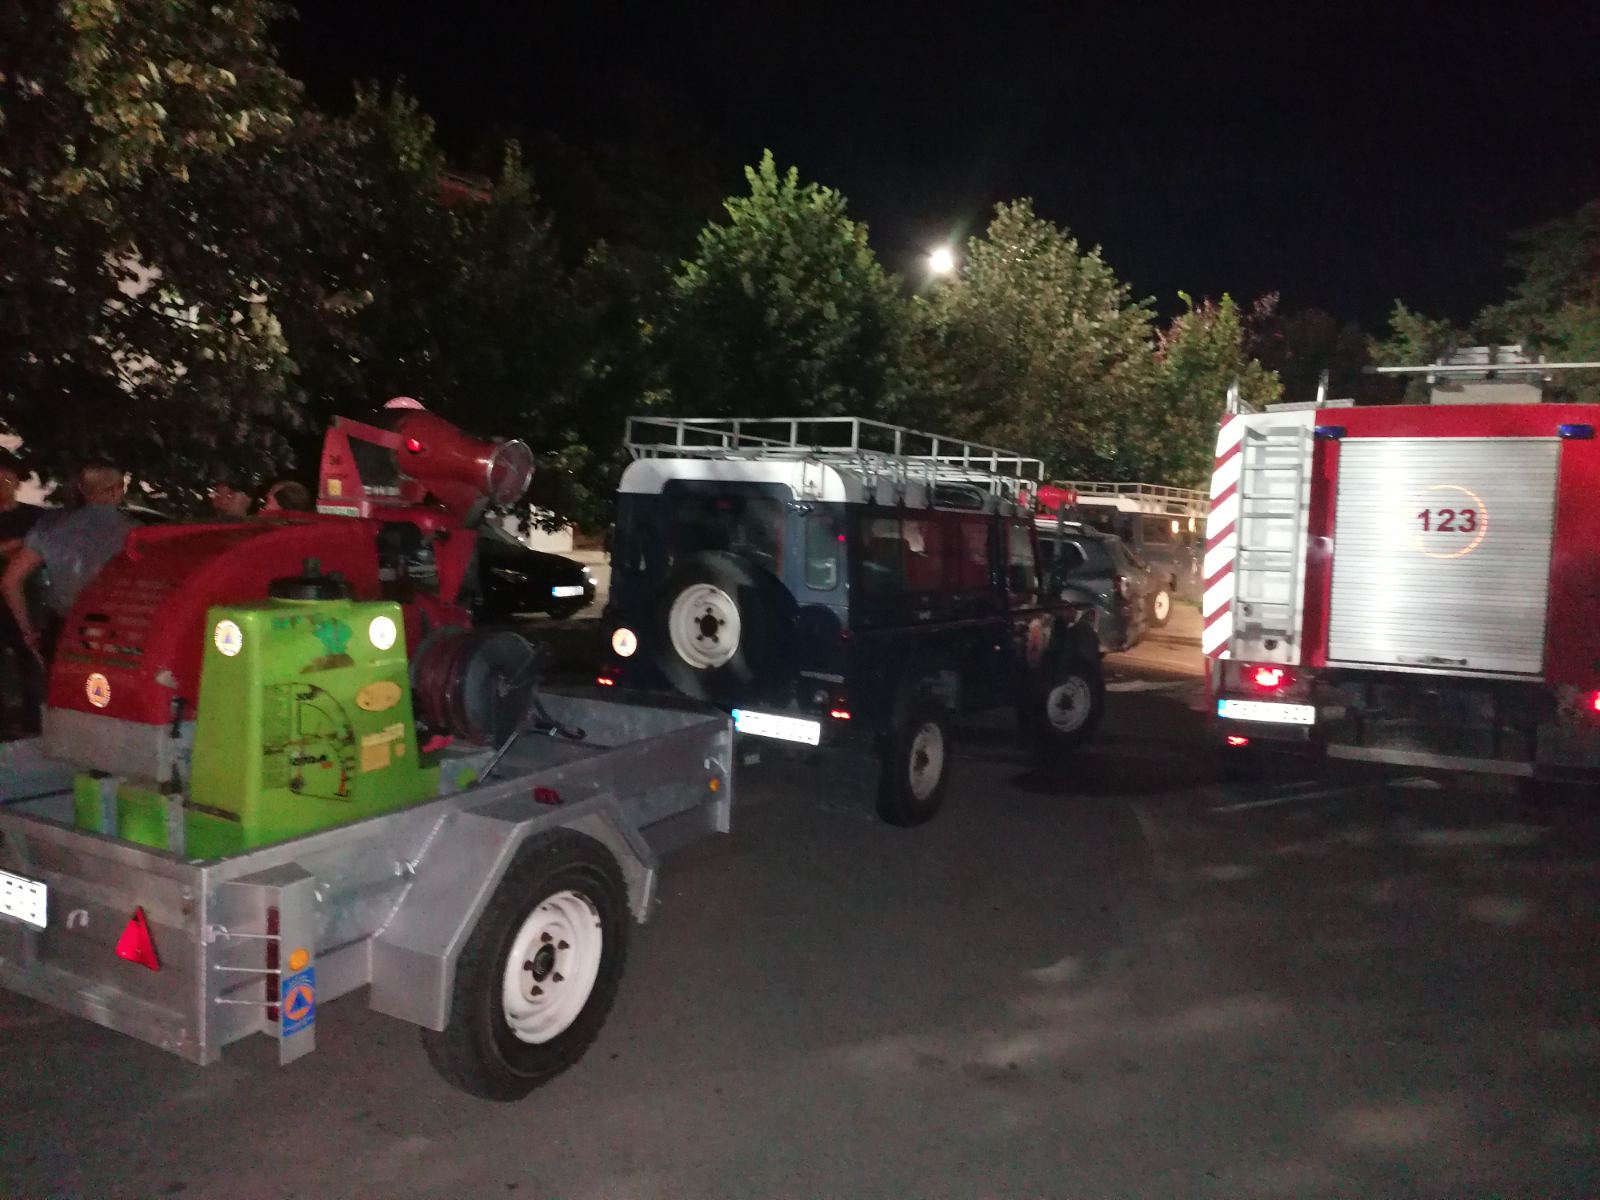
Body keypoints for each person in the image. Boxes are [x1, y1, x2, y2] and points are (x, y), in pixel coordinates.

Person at [1, 461, 136, 664]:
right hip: (117, 633)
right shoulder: (134, 533)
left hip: (64, 631)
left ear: (81, 488)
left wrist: (28, 631)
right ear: (118, 490)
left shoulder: (48, 528)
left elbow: (10, 582)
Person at [0, 454, 44, 733]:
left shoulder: (34, 516)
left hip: (27, 598)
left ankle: (32, 717)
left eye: (7, 479)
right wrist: (16, 547)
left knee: (28, 655)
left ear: (17, 482)